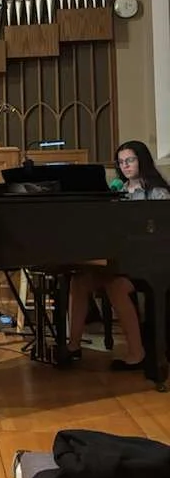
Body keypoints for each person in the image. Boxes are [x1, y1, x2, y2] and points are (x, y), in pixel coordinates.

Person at [67, 140, 170, 370]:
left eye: (130, 160)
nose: (125, 165)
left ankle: (137, 353)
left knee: (116, 285)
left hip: (150, 262)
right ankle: (72, 346)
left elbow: (161, 234)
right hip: (122, 259)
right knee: (79, 281)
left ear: (142, 160)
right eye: (121, 162)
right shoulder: (119, 190)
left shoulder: (158, 192)